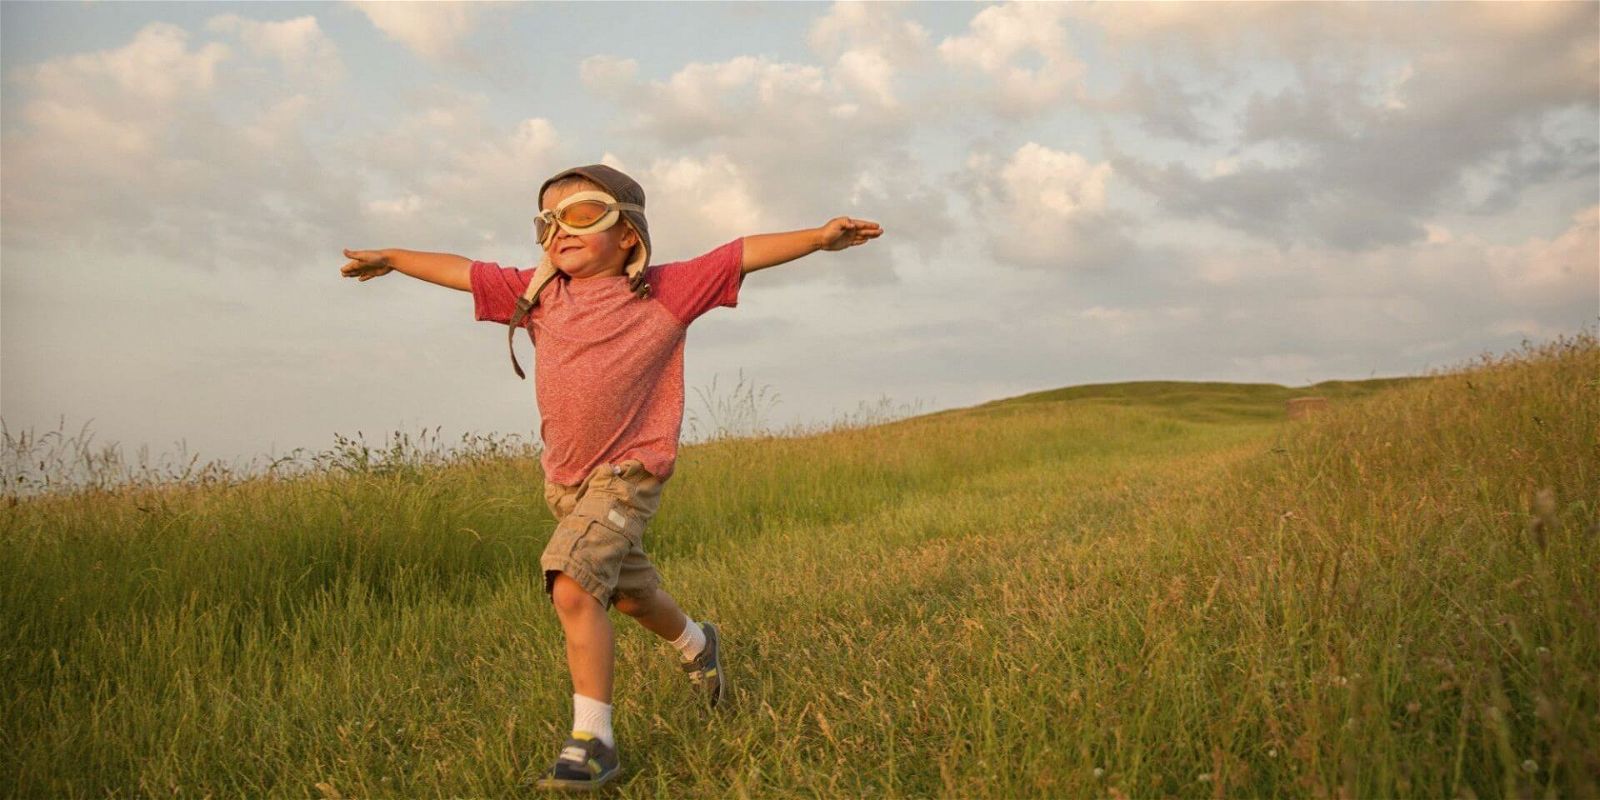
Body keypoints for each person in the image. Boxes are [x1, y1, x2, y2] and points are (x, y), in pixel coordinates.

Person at [339, 164, 882, 790]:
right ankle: (697, 645)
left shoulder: (664, 290)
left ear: (628, 232)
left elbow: (739, 253)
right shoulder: (536, 292)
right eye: (546, 220)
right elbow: (461, 270)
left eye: (579, 214)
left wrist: (817, 237)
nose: (558, 231)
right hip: (566, 483)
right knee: (626, 595)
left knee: (572, 584)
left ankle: (593, 743)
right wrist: (396, 258)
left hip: (629, 473)